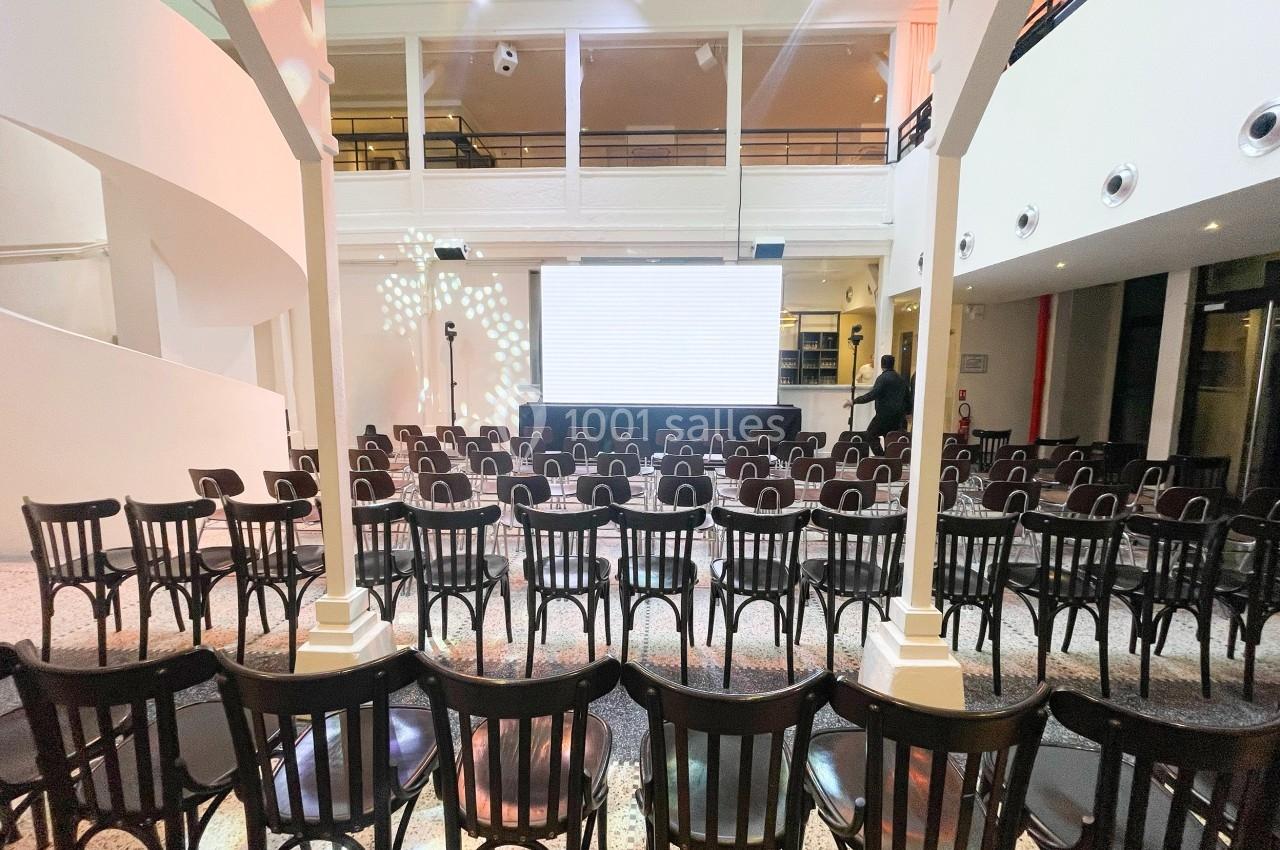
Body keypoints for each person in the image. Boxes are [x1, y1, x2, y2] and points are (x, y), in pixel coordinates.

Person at [847, 354, 910, 456]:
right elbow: (908, 397)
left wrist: (854, 401)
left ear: (882, 365)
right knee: (891, 439)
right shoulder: (901, 379)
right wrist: (908, 412)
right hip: (898, 417)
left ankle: (881, 456)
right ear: (893, 364)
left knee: (870, 434)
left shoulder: (882, 378)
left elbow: (872, 395)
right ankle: (890, 458)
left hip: (883, 416)